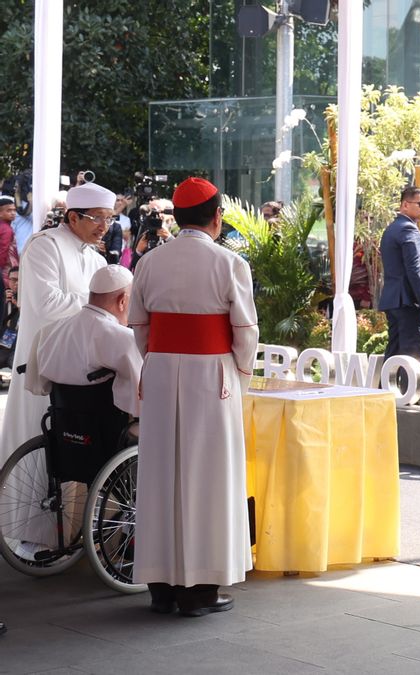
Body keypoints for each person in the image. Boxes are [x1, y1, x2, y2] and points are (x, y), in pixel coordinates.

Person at [129, 177, 259, 617]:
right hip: (211, 374)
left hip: (162, 371)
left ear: (178, 217)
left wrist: (161, 362)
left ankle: (160, 585)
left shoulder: (148, 262)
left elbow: (140, 330)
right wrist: (238, 375)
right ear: (217, 217)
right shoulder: (229, 263)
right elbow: (245, 332)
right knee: (208, 476)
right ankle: (200, 590)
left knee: (162, 472)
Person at [0, 183, 109, 469]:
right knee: (34, 441)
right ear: (73, 217)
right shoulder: (44, 246)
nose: (104, 226)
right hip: (42, 360)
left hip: (80, 365)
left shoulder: (97, 258)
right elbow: (46, 304)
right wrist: (98, 302)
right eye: (97, 217)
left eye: (109, 218)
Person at [25, 265, 142, 419]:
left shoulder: (48, 331)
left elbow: (36, 385)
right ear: (123, 301)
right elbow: (139, 400)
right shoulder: (125, 338)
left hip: (62, 423)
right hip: (109, 427)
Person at [380, 186, 420, 360]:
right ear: (405, 204)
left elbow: (401, 262)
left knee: (394, 353)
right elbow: (414, 268)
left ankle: (385, 388)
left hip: (395, 300)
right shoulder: (408, 229)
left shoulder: (392, 228)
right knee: (411, 357)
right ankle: (408, 388)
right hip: (408, 302)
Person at [0, 266, 20, 375]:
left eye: (19, 280)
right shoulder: (3, 298)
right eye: (13, 279)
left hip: (18, 349)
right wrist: (3, 303)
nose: (16, 283)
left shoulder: (31, 300)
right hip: (3, 347)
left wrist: (21, 307)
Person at [0, 195, 19, 286]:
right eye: (9, 210)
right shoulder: (6, 229)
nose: (13, 213)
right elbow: (4, 250)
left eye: (14, 210)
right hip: (5, 268)